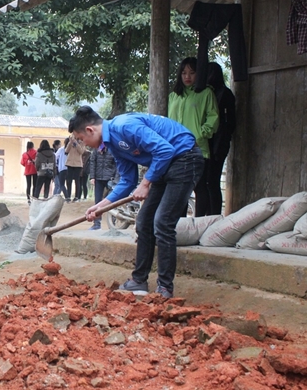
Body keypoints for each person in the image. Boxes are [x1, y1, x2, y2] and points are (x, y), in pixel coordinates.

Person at [69, 106, 203, 299]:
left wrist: (146, 183)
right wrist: (101, 205)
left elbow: (165, 149)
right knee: (143, 222)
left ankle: (165, 288)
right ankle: (139, 280)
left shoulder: (125, 126)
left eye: (82, 140)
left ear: (90, 130)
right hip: (163, 165)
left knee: (163, 222)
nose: (86, 144)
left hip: (184, 158)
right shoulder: (113, 144)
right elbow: (128, 180)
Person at [168, 57, 219, 217]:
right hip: (176, 150)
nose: (187, 76)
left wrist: (200, 134)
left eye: (192, 72)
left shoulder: (206, 93)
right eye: (183, 73)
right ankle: (180, 223)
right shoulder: (174, 95)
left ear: (199, 74)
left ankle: (198, 223)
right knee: (180, 188)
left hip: (198, 149)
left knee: (200, 187)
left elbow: (213, 117)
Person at [206, 62, 236, 215]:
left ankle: (213, 216)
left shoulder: (221, 94)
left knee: (211, 181)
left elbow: (231, 122)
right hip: (216, 142)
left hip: (217, 143)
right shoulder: (220, 93)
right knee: (210, 182)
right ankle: (210, 215)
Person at [88, 143, 119, 230]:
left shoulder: (113, 148)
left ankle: (112, 224)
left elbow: (117, 164)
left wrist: (116, 179)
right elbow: (92, 162)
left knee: (112, 201)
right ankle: (97, 224)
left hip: (110, 179)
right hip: (98, 179)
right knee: (97, 201)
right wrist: (92, 177)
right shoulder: (96, 148)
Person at [65, 133, 85, 202]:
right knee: (68, 180)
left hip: (78, 164)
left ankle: (77, 197)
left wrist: (76, 144)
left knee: (77, 180)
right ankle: (68, 196)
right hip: (70, 163)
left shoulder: (82, 142)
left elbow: (81, 151)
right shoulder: (70, 142)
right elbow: (66, 151)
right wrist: (70, 143)